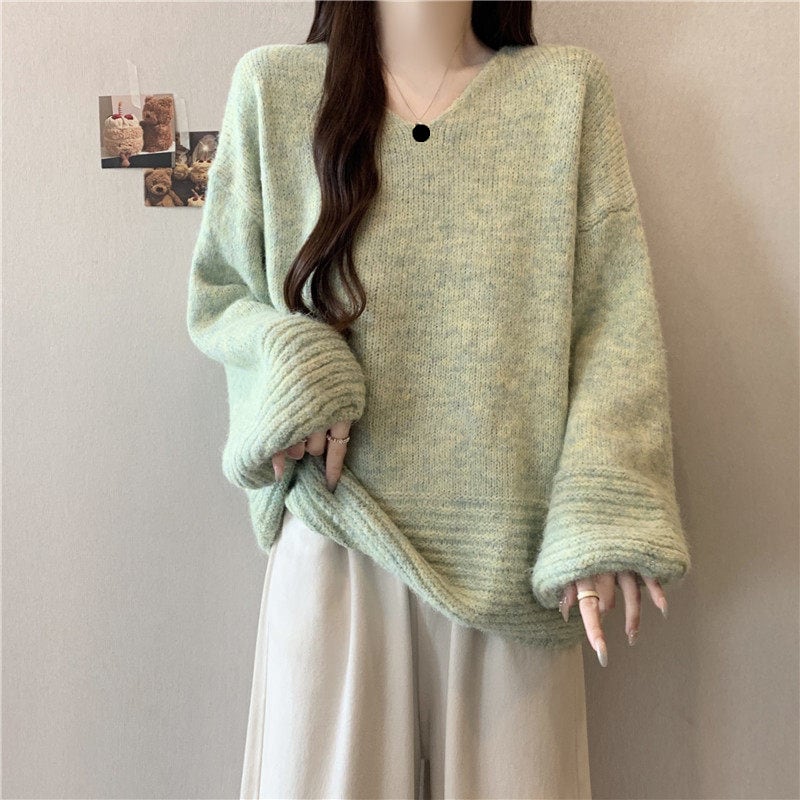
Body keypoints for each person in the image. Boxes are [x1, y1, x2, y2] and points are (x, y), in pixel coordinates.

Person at [185, 2, 693, 798]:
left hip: (517, 554)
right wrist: (296, 363)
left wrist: (603, 506)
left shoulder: (566, 93)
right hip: (340, 534)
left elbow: (613, 322)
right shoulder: (272, 88)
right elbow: (220, 297)